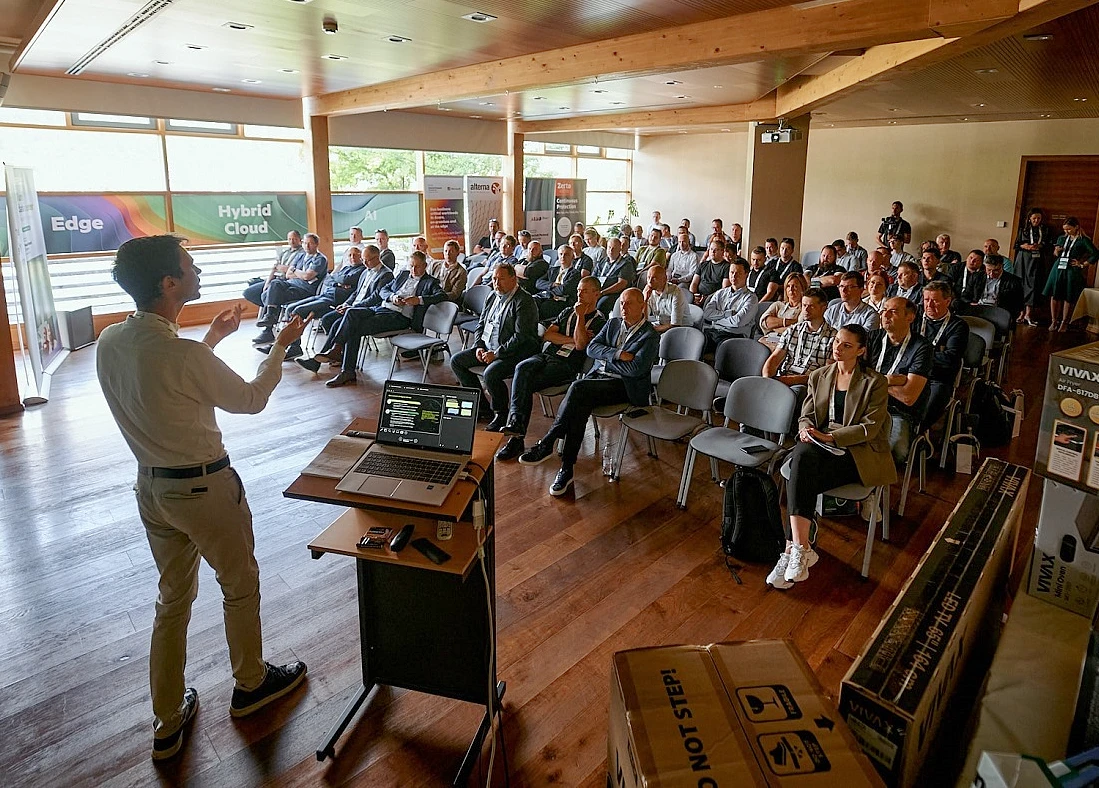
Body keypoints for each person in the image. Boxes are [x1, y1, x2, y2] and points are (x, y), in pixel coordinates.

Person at [96, 235, 309, 760]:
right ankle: (251, 684)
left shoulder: (111, 342)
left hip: (153, 489)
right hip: (205, 489)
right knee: (239, 585)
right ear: (170, 284)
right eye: (189, 267)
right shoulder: (182, 353)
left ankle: (167, 719)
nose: (197, 273)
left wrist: (211, 338)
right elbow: (252, 400)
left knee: (172, 600)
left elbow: (164, 381)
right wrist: (281, 347)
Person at [767, 325, 896, 588]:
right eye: (836, 341)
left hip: (857, 452)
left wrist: (830, 437)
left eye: (846, 345)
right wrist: (806, 430)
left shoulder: (875, 382)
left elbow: (870, 428)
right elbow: (807, 415)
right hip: (821, 449)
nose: (837, 347)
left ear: (861, 351)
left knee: (799, 473)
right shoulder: (819, 375)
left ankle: (793, 549)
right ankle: (799, 550)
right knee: (802, 459)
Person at [518, 288, 659, 496]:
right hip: (599, 381)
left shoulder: (650, 335)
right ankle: (566, 469)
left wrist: (606, 361)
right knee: (580, 405)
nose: (624, 308)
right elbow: (592, 349)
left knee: (578, 388)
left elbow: (636, 369)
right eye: (621, 303)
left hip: (626, 388)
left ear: (642, 306)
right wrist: (618, 354)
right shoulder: (613, 324)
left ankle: (549, 440)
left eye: (629, 304)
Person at [495, 276, 607, 461]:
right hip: (548, 355)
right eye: (578, 290)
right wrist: (573, 338)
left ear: (596, 294)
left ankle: (517, 439)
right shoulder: (566, 312)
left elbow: (580, 347)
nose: (579, 294)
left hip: (567, 365)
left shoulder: (599, 321)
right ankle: (516, 424)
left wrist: (579, 318)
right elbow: (548, 336)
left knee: (526, 384)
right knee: (521, 368)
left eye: (584, 291)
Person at [316, 250, 445, 387]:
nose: (413, 269)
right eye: (411, 266)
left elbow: (442, 296)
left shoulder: (430, 282)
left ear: (425, 266)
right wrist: (392, 297)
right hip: (383, 308)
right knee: (352, 313)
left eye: (417, 266)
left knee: (353, 327)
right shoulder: (403, 275)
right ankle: (338, 351)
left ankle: (345, 368)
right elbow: (384, 290)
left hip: (399, 317)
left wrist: (418, 300)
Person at [451, 262, 540, 428]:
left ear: (514, 279)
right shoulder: (492, 295)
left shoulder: (524, 301)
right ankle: (483, 409)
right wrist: (478, 346)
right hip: (488, 346)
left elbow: (521, 337)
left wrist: (497, 354)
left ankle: (501, 413)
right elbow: (481, 324)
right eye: (494, 279)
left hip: (515, 352)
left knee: (491, 373)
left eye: (501, 279)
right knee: (456, 361)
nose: (496, 283)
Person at [257, 244, 367, 360]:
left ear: (361, 256)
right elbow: (329, 279)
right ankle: (283, 344)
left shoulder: (361, 270)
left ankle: (291, 347)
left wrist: (339, 279)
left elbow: (345, 279)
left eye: (356, 255)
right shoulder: (346, 268)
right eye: (350, 255)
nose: (352, 257)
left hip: (333, 301)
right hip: (323, 295)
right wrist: (338, 282)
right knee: (290, 308)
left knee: (298, 310)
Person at [296, 245, 394, 373]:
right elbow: (356, 293)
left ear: (377, 258)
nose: (364, 262)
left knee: (338, 324)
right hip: (353, 306)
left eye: (367, 260)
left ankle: (325, 357)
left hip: (368, 309)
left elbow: (375, 298)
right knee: (328, 319)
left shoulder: (386, 275)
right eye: (363, 259)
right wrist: (346, 303)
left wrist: (352, 307)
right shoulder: (365, 271)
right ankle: (334, 355)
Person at [867, 298, 932, 464]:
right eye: (884, 310)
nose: (885, 315)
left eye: (893, 312)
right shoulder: (872, 338)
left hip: (898, 411)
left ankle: (881, 488)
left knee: (895, 452)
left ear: (909, 317)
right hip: (865, 404)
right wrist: (888, 380)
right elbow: (853, 376)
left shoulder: (921, 347)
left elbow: (908, 397)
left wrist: (874, 380)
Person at [251, 232, 328, 345]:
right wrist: (299, 274)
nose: (307, 246)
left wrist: (295, 271)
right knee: (274, 286)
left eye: (310, 244)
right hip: (291, 285)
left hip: (305, 290)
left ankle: (271, 330)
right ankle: (271, 322)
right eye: (305, 243)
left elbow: (308, 276)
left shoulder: (320, 259)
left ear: (316, 245)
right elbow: (288, 275)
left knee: (273, 296)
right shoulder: (300, 256)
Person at [917, 281, 970, 428]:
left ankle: (918, 440)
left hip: (938, 378)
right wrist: (934, 354)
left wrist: (916, 356)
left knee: (923, 415)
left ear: (947, 301)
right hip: (910, 373)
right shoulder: (914, 319)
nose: (929, 305)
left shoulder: (958, 326)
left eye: (935, 301)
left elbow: (949, 359)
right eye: (926, 300)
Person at [1045, 217, 1099, 332]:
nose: (1066, 232)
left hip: (1072, 269)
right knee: (1055, 294)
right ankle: (1054, 320)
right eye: (1065, 229)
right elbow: (1055, 253)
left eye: (1069, 229)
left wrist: (1083, 264)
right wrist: (1056, 251)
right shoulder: (1061, 238)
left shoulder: (1083, 240)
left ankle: (1065, 322)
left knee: (1068, 296)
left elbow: (1095, 254)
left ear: (1076, 227)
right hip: (1058, 268)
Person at [701, 258, 758, 351]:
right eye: (731, 272)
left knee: (722, 349)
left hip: (734, 336)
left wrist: (716, 320)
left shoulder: (751, 298)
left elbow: (738, 321)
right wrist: (726, 314)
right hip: (714, 332)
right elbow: (707, 314)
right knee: (695, 344)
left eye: (738, 273)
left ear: (746, 275)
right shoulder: (720, 293)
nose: (734, 276)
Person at [1013, 208, 1052, 325]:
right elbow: (1016, 245)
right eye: (1034, 218)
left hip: (1037, 260)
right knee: (1020, 284)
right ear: (1029, 218)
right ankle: (1020, 313)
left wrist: (1039, 246)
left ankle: (1028, 314)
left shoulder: (1044, 230)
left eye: (1039, 218)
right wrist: (1025, 246)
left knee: (1033, 285)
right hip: (1023, 259)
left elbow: (1049, 245)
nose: (1036, 220)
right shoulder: (1023, 229)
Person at [534, 245, 584, 320]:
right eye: (561, 254)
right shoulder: (552, 270)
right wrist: (552, 284)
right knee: (530, 302)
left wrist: (548, 291)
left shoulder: (575, 273)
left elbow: (564, 289)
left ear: (572, 257)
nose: (563, 257)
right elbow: (538, 283)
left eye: (566, 254)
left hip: (562, 302)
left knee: (543, 308)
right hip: (547, 297)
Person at [637, 264, 689, 332]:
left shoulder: (676, 293)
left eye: (654, 278)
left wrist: (652, 330)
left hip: (681, 329)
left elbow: (675, 325)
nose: (649, 282)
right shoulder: (648, 290)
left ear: (664, 279)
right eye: (648, 277)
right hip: (662, 324)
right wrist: (645, 300)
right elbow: (644, 318)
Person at [975, 253, 1024, 322]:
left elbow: (1018, 302)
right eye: (989, 270)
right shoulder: (977, 277)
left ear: (1002, 266)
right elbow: (966, 295)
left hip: (999, 310)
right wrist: (971, 303)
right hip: (979, 307)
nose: (991, 274)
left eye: (996, 270)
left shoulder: (1014, 281)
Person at [592, 236, 635, 313]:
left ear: (619, 249)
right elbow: (592, 278)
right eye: (609, 247)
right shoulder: (602, 261)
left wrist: (603, 292)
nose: (611, 250)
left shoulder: (626, 263)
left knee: (601, 304)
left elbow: (621, 284)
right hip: (598, 291)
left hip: (613, 293)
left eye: (614, 248)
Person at [759, 272, 805, 340]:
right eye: (788, 286)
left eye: (795, 286)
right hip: (770, 338)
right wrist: (790, 322)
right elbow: (764, 322)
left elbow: (796, 330)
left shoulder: (805, 308)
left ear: (802, 288)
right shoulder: (778, 305)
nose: (791, 289)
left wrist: (773, 328)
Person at [690, 238, 729, 304]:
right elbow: (694, 283)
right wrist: (694, 295)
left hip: (714, 299)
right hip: (697, 297)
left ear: (722, 252)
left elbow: (724, 289)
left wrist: (707, 298)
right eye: (711, 249)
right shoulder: (703, 265)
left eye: (716, 250)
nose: (712, 252)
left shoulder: (727, 267)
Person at [431, 239, 468, 303]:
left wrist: (437, 297)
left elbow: (454, 294)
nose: (447, 254)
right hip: (431, 296)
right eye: (445, 251)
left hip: (447, 301)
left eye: (451, 251)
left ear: (457, 253)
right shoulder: (435, 265)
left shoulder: (461, 272)